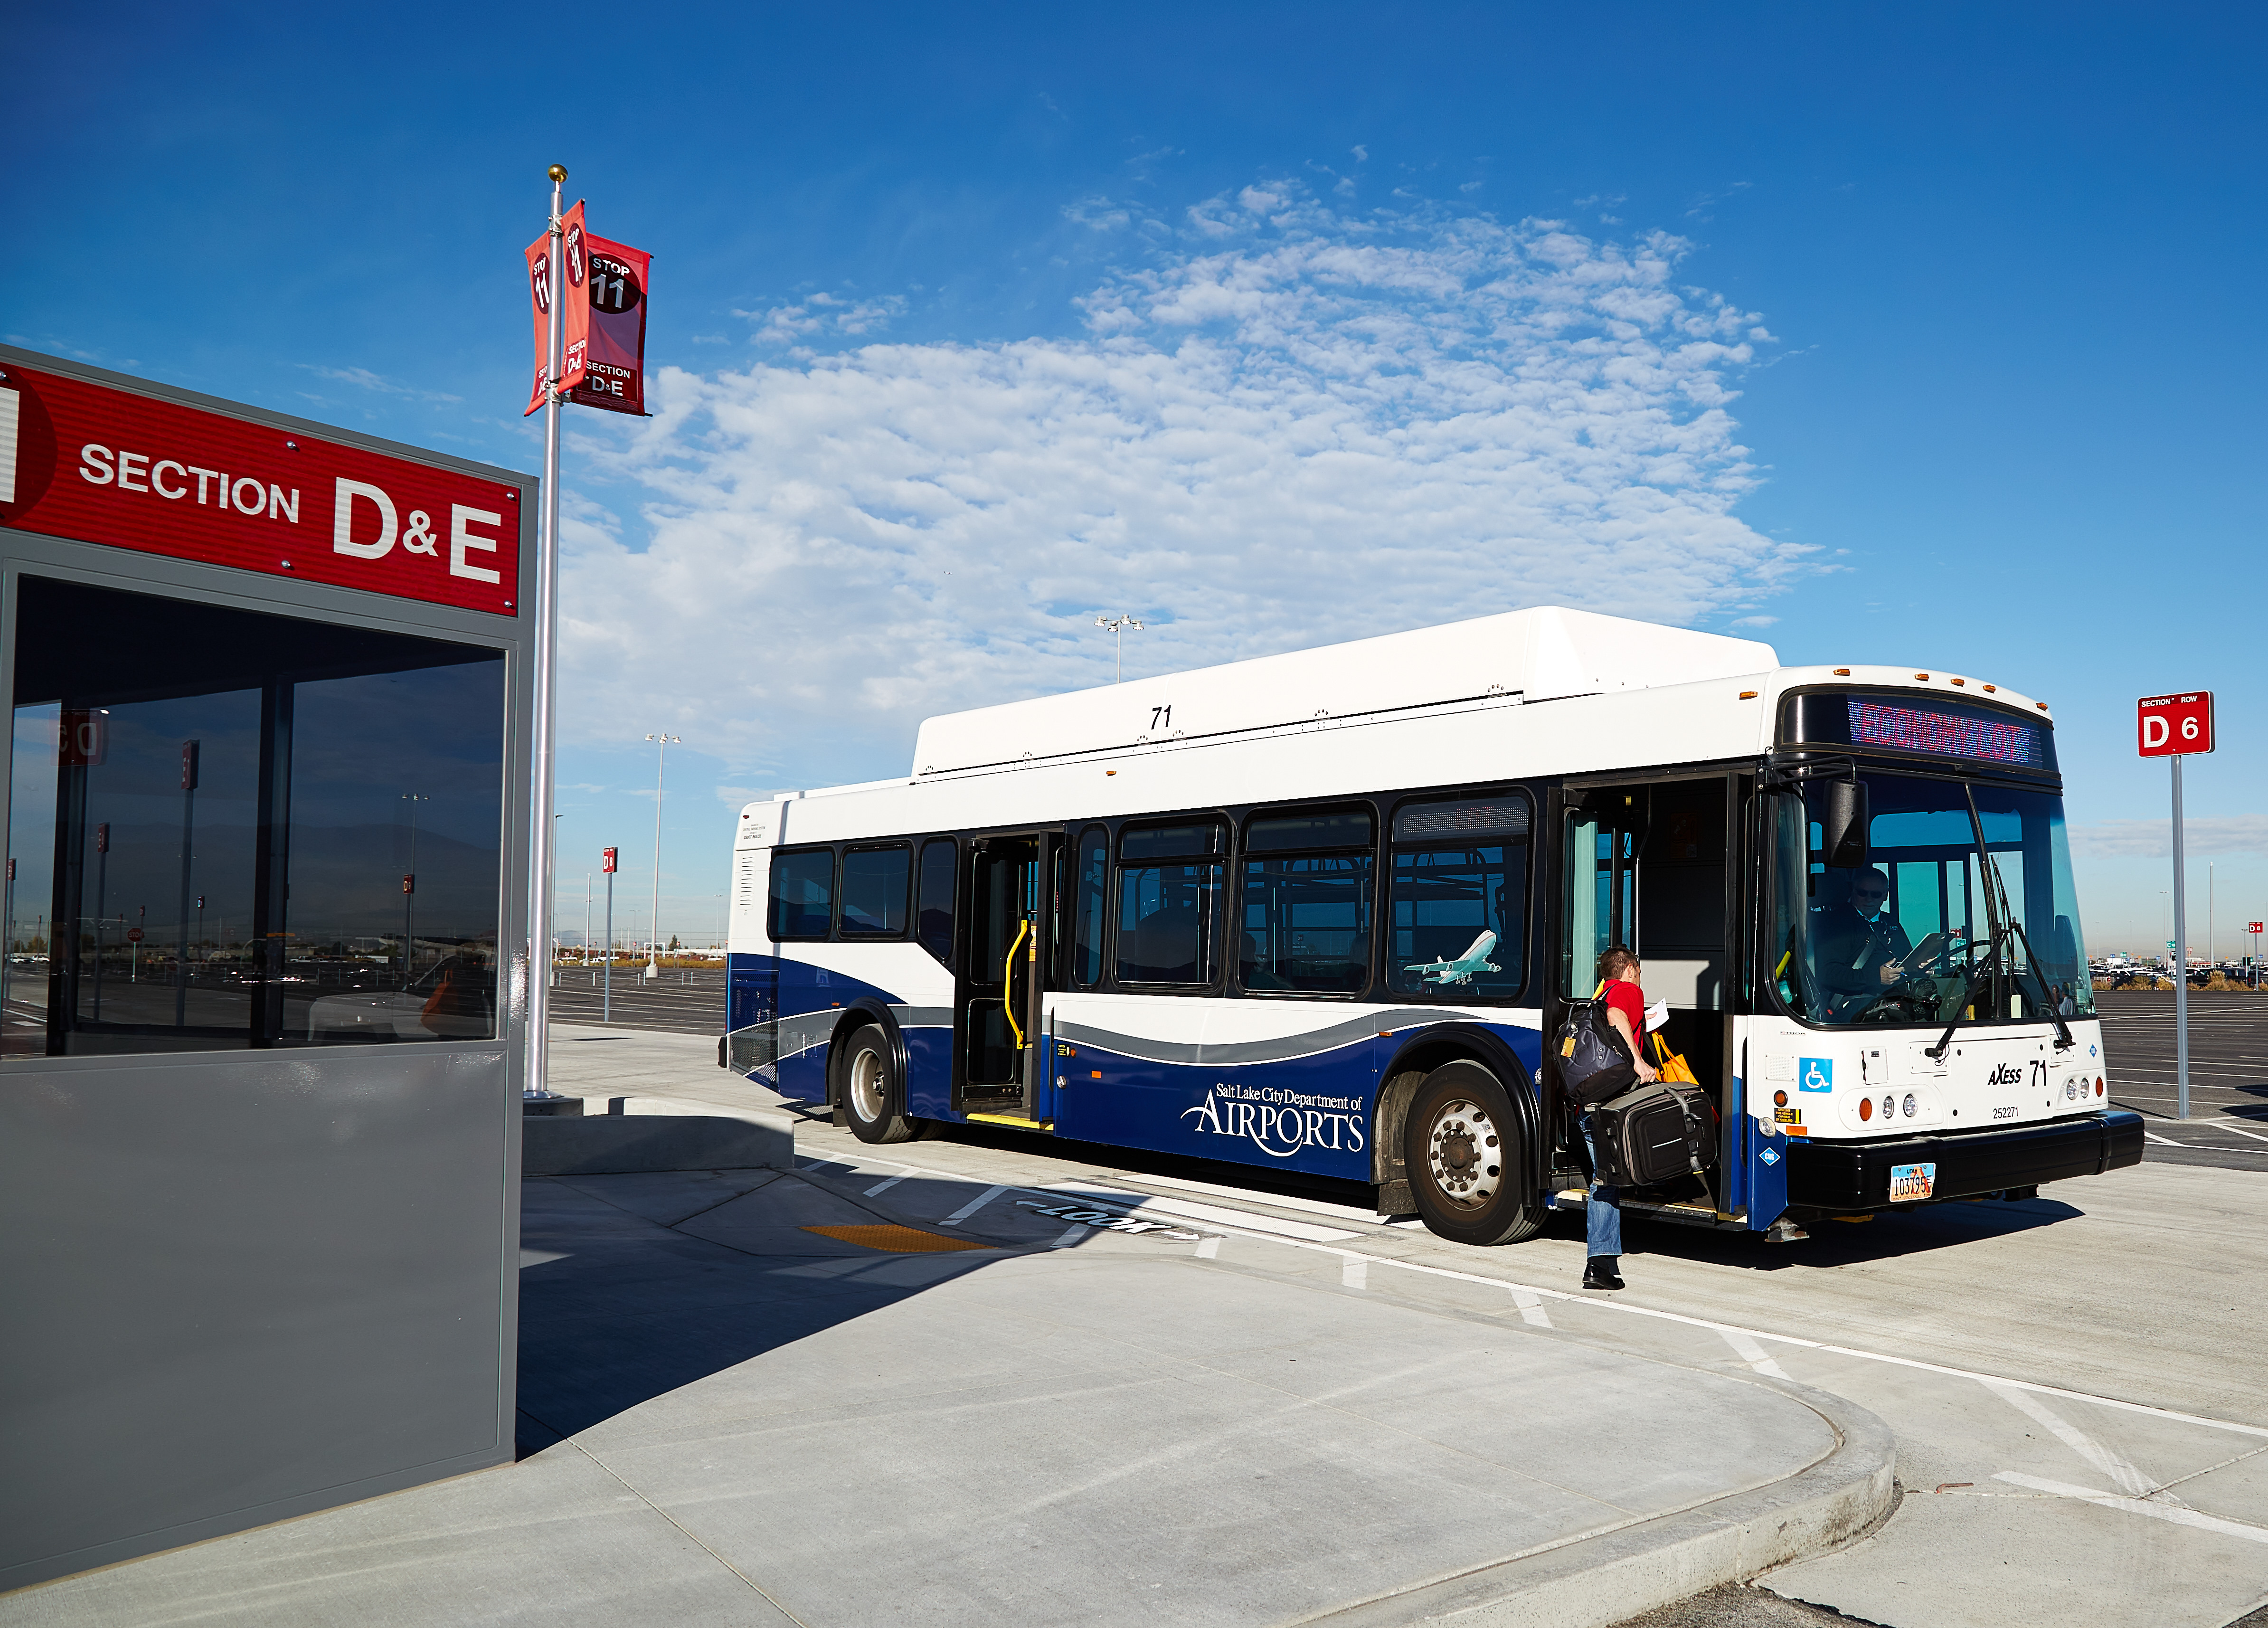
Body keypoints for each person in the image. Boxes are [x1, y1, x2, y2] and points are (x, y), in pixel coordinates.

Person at [1582, 945, 1655, 1292]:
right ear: (1628, 969)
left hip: (1588, 1102)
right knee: (1606, 1181)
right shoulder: (1627, 991)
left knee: (1607, 1178)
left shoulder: (1598, 994)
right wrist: (1639, 1061)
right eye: (1638, 970)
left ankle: (1606, 1263)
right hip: (1606, 1106)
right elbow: (1618, 1017)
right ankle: (1597, 1265)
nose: (1639, 977)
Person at [1810, 867, 1915, 1016]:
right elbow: (1828, 974)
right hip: (1856, 1009)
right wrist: (1876, 978)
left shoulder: (1890, 922)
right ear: (1853, 891)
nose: (1869, 899)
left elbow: (1905, 959)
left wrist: (1920, 968)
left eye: (1876, 894)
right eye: (1863, 893)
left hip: (1895, 1002)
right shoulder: (1837, 924)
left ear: (1885, 895)